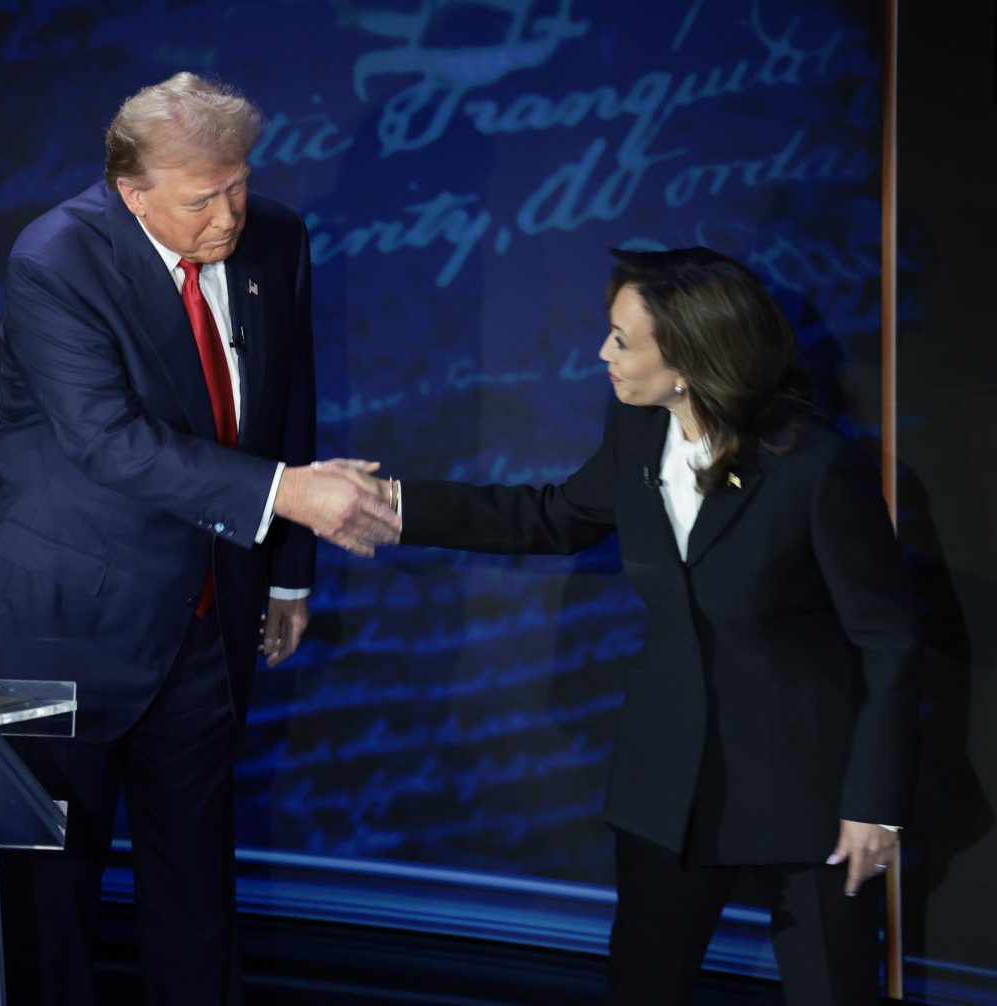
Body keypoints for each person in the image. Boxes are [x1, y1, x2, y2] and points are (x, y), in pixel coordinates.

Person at [0, 73, 398, 1006]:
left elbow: (285, 399)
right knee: (47, 898)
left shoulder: (275, 233)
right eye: (202, 199)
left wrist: (283, 580)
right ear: (130, 189)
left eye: (237, 183)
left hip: (205, 617)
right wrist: (291, 496)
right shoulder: (57, 259)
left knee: (196, 886)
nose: (229, 214)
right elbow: (107, 440)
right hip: (61, 624)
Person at [366, 247, 921, 1005]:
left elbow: (888, 639)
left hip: (811, 794)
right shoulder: (636, 430)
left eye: (623, 341)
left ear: (690, 360)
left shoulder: (815, 466)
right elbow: (551, 518)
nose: (603, 354)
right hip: (671, 787)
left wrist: (873, 802)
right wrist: (392, 506)